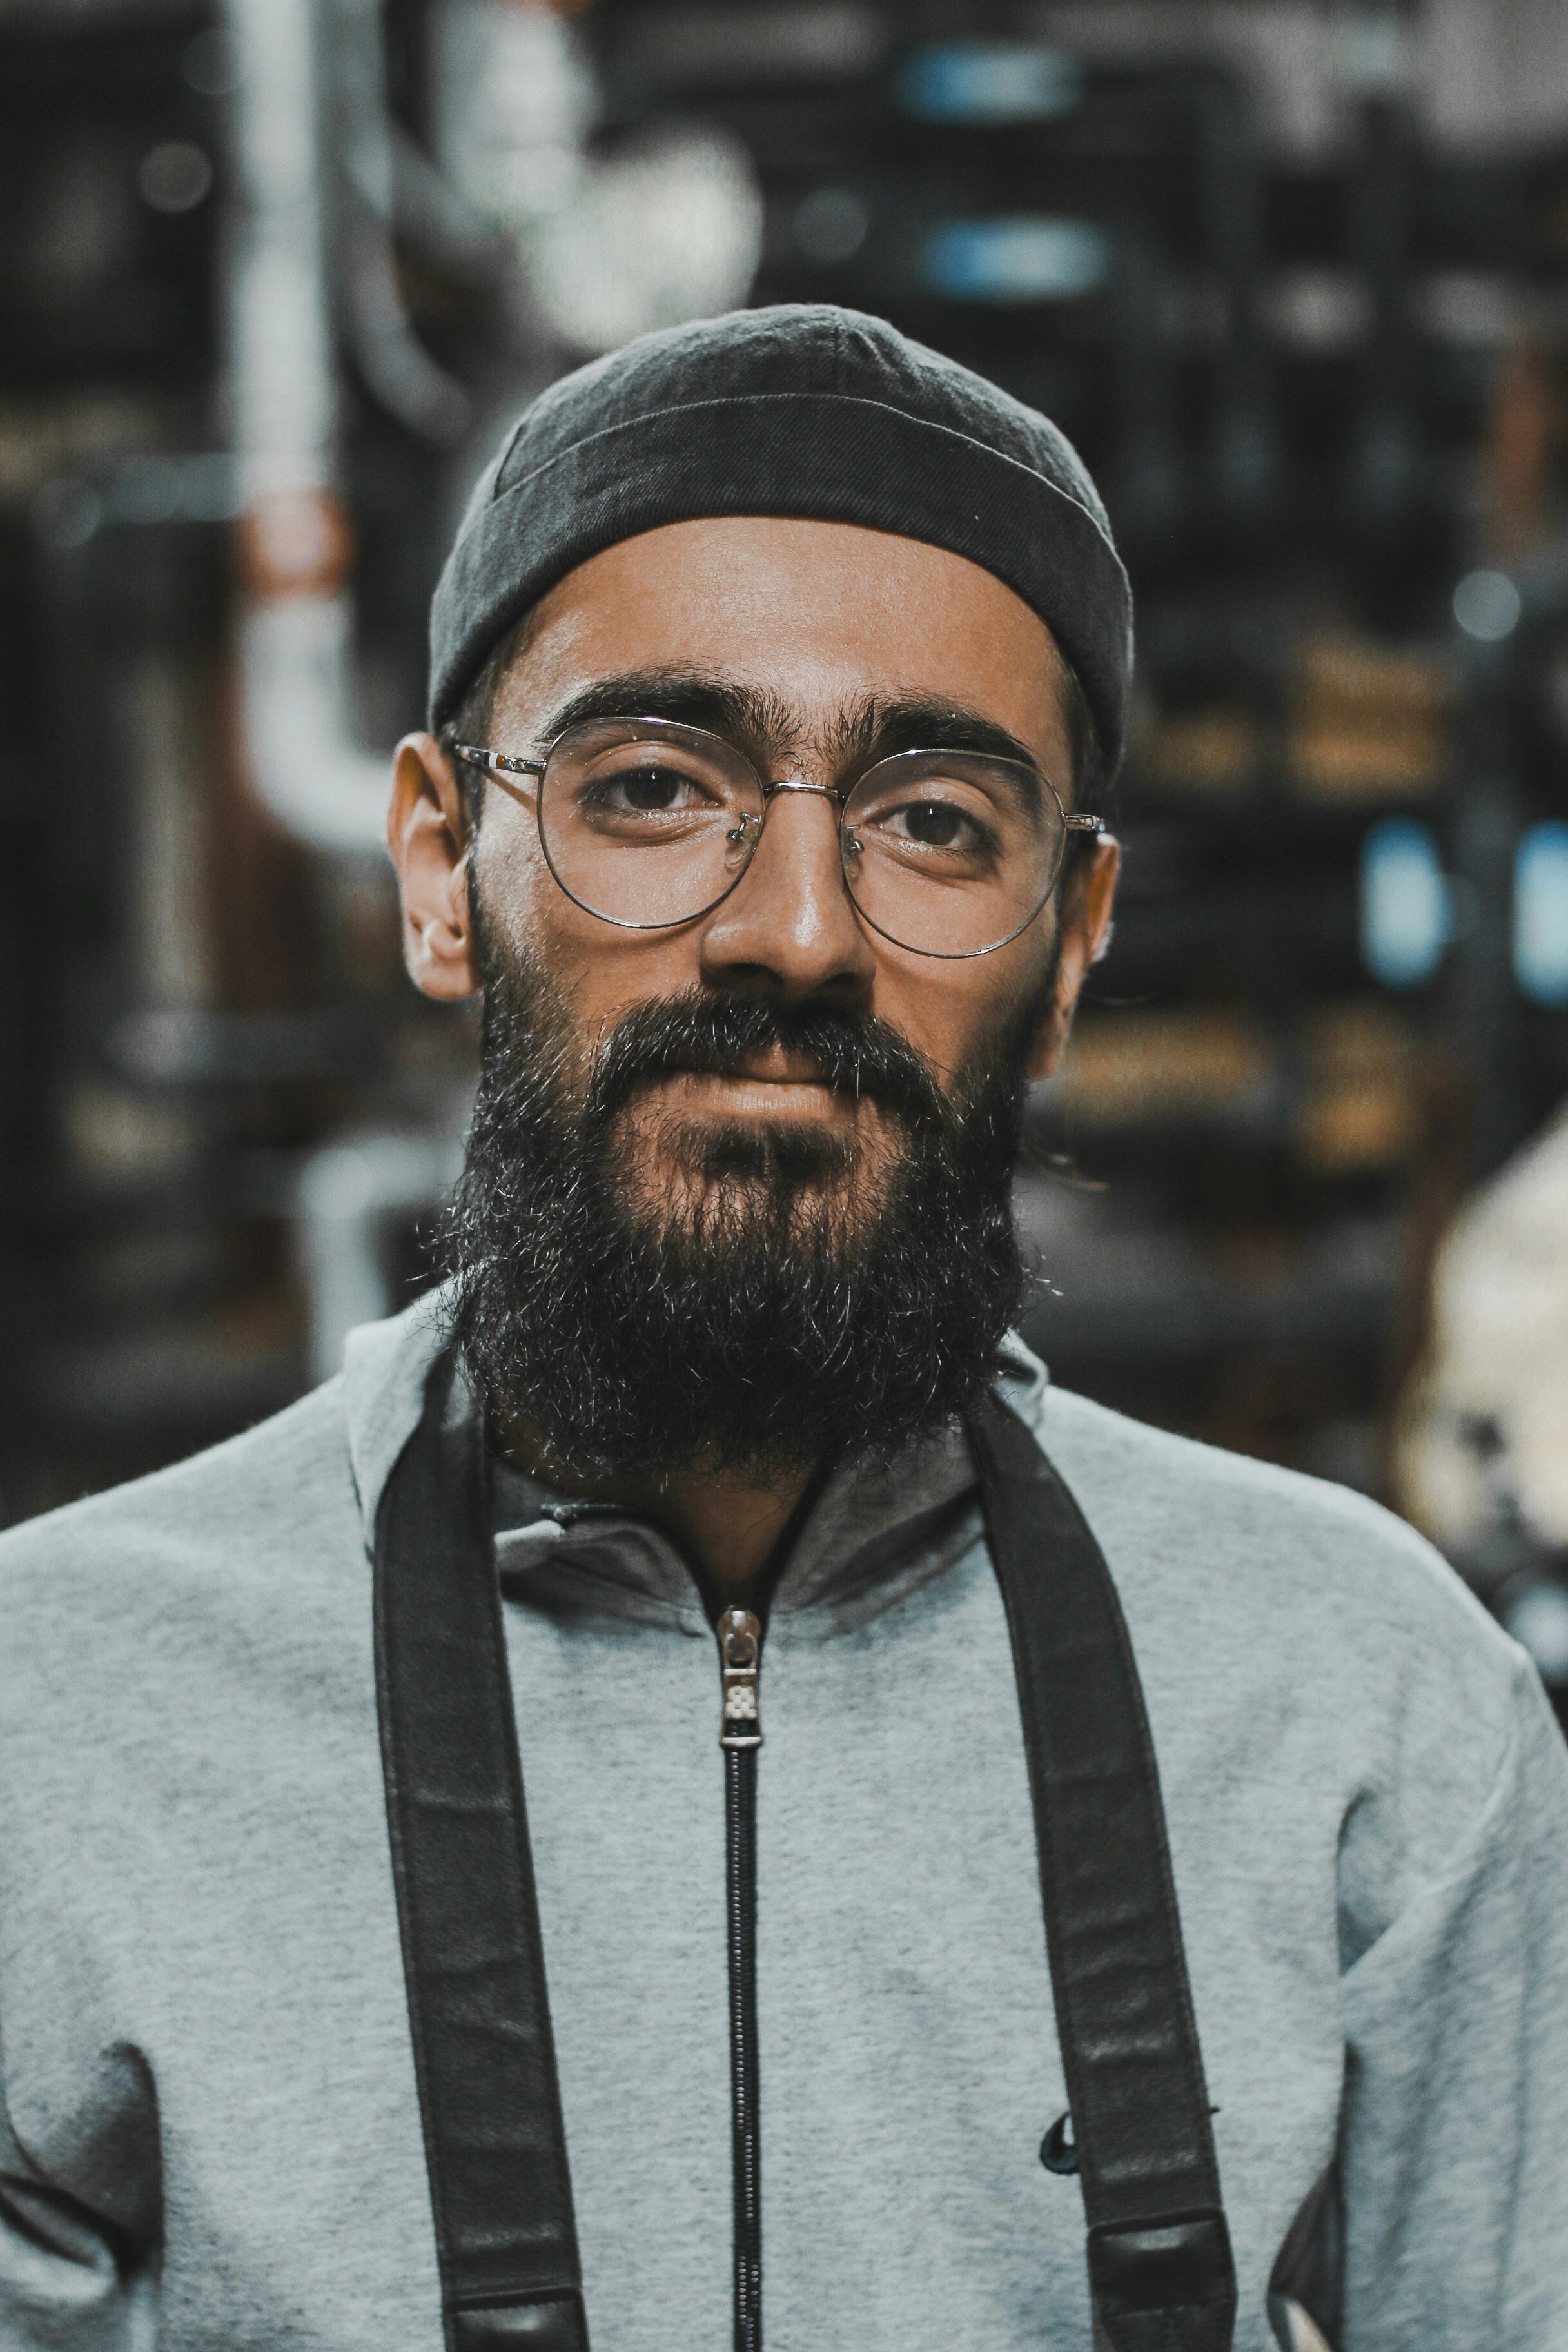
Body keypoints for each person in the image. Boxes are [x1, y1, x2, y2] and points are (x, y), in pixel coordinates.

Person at [1, 306, 1564, 2352]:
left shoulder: (1372, 1722)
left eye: (936, 820)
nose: (797, 931)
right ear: (442, 869)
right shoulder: (54, 1725)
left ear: (1070, 949)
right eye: (656, 788)